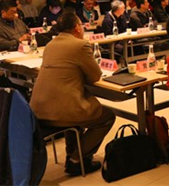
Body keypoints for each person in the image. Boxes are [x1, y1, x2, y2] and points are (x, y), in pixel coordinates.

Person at [30, 12, 116, 176]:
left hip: (39, 110)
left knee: (73, 106)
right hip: (62, 111)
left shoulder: (50, 44)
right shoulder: (80, 45)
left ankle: (71, 153)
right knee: (107, 117)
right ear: (77, 27)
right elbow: (95, 76)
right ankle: (77, 160)